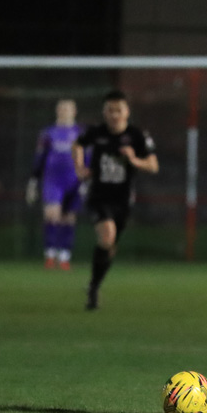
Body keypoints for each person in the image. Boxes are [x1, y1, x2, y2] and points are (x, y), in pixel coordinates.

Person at [72, 90, 158, 310]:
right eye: (110, 110)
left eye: (118, 110)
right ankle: (93, 288)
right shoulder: (97, 132)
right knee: (107, 236)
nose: (114, 115)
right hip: (99, 196)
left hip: (122, 201)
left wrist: (133, 160)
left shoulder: (137, 136)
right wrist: (80, 168)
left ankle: (93, 287)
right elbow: (77, 145)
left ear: (126, 112)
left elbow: (153, 165)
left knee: (110, 247)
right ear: (104, 112)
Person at [26, 99, 84, 269]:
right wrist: (33, 181)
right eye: (61, 108)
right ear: (57, 111)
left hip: (73, 181)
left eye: (68, 108)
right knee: (52, 214)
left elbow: (86, 159)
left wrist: (87, 180)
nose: (64, 111)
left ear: (74, 111)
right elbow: (40, 157)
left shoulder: (80, 133)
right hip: (53, 180)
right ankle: (50, 254)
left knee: (68, 218)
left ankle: (65, 256)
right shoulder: (48, 133)